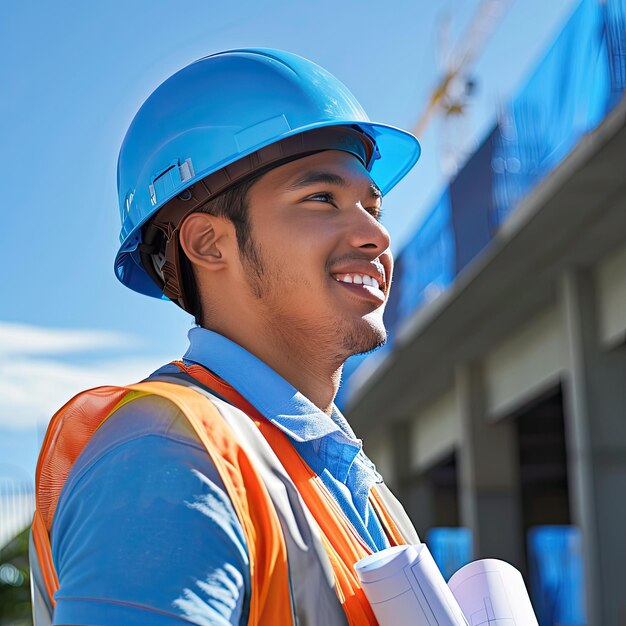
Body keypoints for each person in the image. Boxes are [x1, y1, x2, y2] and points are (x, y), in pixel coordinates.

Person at [30, 48, 422, 626]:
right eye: (321, 199)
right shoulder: (169, 460)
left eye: (373, 206)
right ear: (209, 244)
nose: (374, 235)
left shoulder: (353, 483)